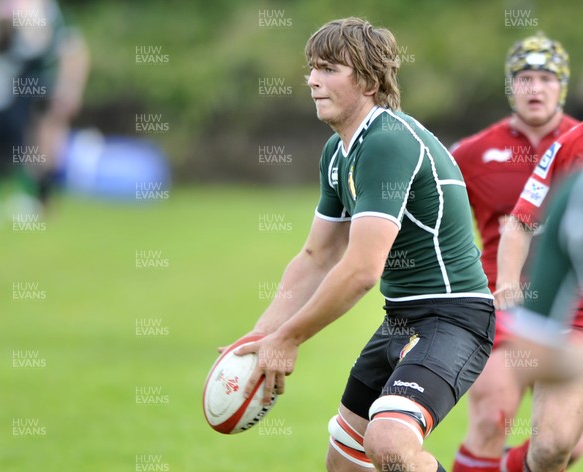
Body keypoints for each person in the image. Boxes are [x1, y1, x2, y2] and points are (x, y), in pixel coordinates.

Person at [226, 17, 495, 472]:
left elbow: (361, 270)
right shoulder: (338, 151)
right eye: (311, 68)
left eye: (329, 68)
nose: (312, 79)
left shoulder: (388, 142)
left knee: (389, 441)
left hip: (453, 319)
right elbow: (318, 255)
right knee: (344, 463)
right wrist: (264, 334)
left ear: (369, 81)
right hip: (401, 321)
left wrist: (290, 338)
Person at [449, 33, 579, 472]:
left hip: (570, 310)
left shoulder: (575, 144)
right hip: (501, 306)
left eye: (546, 78)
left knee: (562, 445)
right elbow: (434, 222)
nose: (535, 88)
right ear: (511, 87)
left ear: (562, 85)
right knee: (492, 416)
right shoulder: (470, 153)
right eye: (525, 78)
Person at [495, 121, 583, 472]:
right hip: (576, 321)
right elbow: (520, 223)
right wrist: (508, 283)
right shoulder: (571, 152)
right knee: (551, 446)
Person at [0, 0, 89, 222]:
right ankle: (34, 198)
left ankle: (40, 199)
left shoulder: (47, 13)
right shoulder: (3, 12)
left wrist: (70, 88)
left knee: (44, 140)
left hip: (42, 86)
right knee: (29, 140)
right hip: (13, 89)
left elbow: (73, 50)